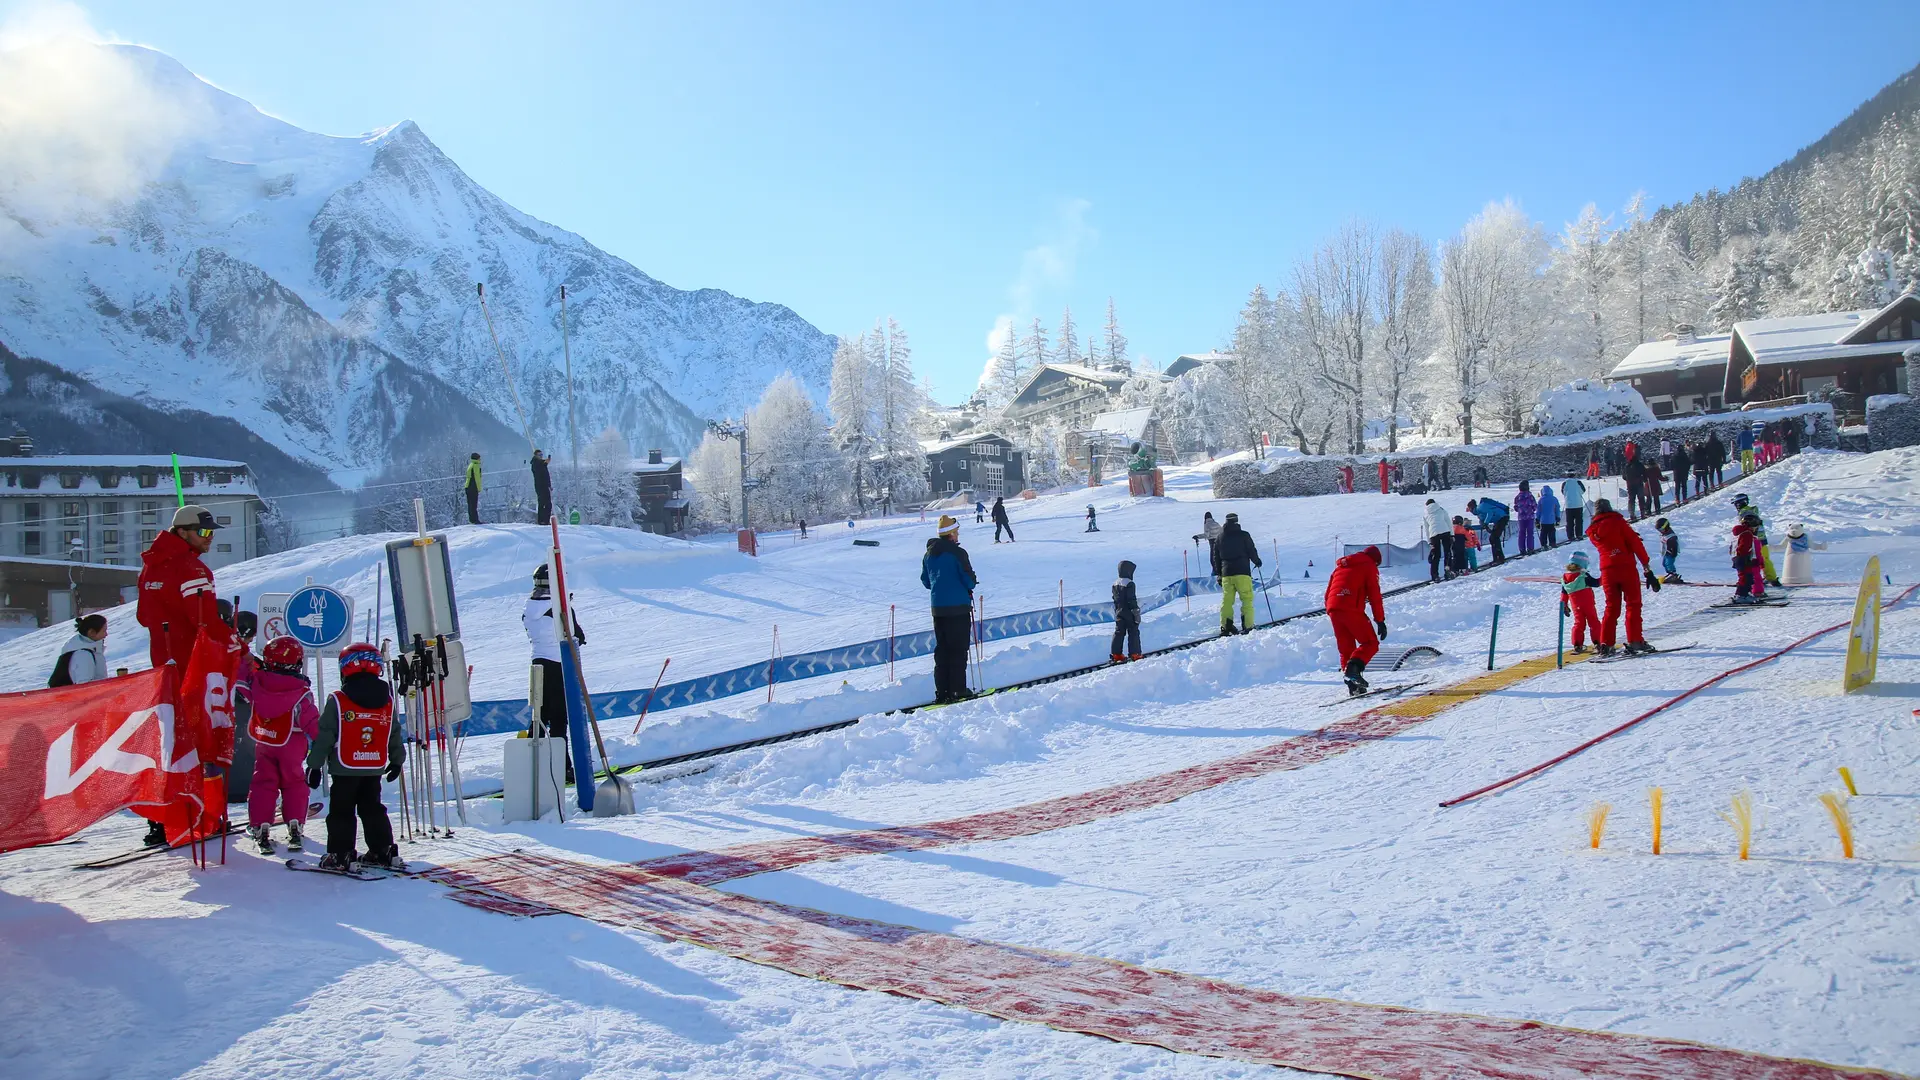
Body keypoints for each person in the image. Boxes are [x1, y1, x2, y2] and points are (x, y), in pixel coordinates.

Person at [305, 643, 406, 871]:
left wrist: (314, 765)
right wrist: (397, 760)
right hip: (373, 766)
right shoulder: (387, 701)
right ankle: (383, 850)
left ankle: (340, 854)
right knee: (373, 808)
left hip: (345, 767)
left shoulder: (339, 700)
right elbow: (393, 732)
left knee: (342, 811)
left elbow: (326, 736)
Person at [244, 636, 318, 854]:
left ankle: (260, 825)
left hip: (265, 740)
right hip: (292, 743)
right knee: (294, 782)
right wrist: (325, 743)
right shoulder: (300, 691)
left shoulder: (258, 682)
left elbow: (242, 679)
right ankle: (295, 824)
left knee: (262, 783)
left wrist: (244, 655)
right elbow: (312, 722)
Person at [523, 565, 585, 766]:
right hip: (559, 665)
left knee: (539, 716)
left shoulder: (529, 608)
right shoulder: (560, 608)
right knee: (559, 719)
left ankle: (532, 765)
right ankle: (562, 765)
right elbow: (575, 635)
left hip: (537, 663)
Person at [1584, 498, 1658, 657]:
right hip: (1625, 567)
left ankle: (1606, 644)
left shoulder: (1593, 531)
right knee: (1633, 604)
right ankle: (1635, 640)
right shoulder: (1618, 522)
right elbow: (1635, 543)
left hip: (1607, 570)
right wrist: (1646, 565)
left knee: (1611, 607)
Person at [920, 516, 978, 703]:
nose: (958, 534)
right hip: (958, 608)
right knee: (958, 649)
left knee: (942, 650)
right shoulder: (958, 553)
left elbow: (926, 581)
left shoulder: (929, 554)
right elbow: (968, 580)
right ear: (951, 534)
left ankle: (942, 692)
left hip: (938, 609)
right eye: (956, 531)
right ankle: (958, 690)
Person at [1325, 545, 1386, 696]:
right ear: (1375, 560)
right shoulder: (1369, 565)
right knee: (1370, 643)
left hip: (1333, 608)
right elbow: (1374, 595)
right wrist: (1380, 620)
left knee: (1347, 649)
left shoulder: (1340, 567)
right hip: (1350, 608)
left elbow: (1328, 593)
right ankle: (1353, 671)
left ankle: (1354, 686)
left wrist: (1332, 609)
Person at [1212, 512, 1262, 636]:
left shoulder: (1219, 538)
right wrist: (1257, 561)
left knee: (1227, 601)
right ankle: (1248, 625)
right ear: (1237, 521)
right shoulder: (1244, 535)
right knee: (1246, 599)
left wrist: (1219, 574)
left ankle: (1226, 626)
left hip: (1226, 574)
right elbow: (1251, 550)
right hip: (1242, 572)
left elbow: (1216, 558)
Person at [1730, 493, 1779, 586]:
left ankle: (1754, 579)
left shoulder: (1744, 512)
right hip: (1761, 537)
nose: (1736, 506)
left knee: (1753, 560)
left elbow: (1747, 526)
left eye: (1736, 504)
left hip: (1753, 539)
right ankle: (1771, 577)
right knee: (1764, 558)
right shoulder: (1752, 510)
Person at [49, 614, 109, 687]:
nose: (106, 634)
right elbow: (84, 687)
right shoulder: (83, 655)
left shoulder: (88, 649)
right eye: (104, 631)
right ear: (91, 632)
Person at [1561, 551, 1601, 654]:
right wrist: (1605, 577)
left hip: (1576, 606)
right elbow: (1596, 583)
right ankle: (1598, 643)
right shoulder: (1583, 576)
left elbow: (1564, 592)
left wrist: (1564, 604)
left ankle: (1577, 645)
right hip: (1588, 604)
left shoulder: (1565, 578)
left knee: (1579, 624)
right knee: (1594, 622)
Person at [1732, 510, 1769, 603]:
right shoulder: (1747, 534)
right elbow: (1744, 547)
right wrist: (1747, 559)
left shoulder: (1740, 533)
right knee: (1746, 578)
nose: (1756, 528)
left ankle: (1743, 594)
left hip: (1738, 558)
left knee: (1746, 577)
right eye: (1756, 525)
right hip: (1743, 558)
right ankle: (1741, 596)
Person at [1110, 560, 1142, 662]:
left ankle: (1116, 654)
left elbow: (1114, 599)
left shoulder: (1115, 583)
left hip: (1119, 611)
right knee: (1133, 632)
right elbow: (1131, 599)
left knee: (1119, 632)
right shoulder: (1130, 583)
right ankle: (1135, 653)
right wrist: (1136, 613)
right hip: (1129, 612)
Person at [1466, 496, 1509, 564]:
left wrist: (1486, 523)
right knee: (1492, 539)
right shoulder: (1479, 512)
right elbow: (1483, 519)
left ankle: (1500, 558)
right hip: (1499, 519)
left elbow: (1490, 513)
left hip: (1502, 517)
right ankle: (1497, 558)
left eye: (1470, 510)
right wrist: (1484, 525)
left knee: (1494, 538)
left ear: (1472, 508)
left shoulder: (1480, 507)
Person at [1423, 498, 1451, 581]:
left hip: (1433, 534)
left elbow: (1426, 528)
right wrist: (1452, 535)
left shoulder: (1425, 514)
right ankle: (1448, 570)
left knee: (1436, 555)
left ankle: (1435, 575)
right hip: (1445, 531)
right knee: (1447, 552)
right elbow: (1448, 521)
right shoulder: (1441, 509)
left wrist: (1429, 541)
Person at [1655, 517, 1683, 583]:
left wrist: (1674, 552)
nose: (1660, 531)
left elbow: (1674, 545)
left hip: (1671, 553)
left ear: (1666, 527)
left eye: (1661, 529)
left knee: (1669, 563)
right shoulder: (1664, 534)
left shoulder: (1671, 536)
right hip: (1666, 552)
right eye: (1659, 530)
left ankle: (1673, 574)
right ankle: (1670, 574)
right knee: (1664, 563)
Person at [1513, 481, 1538, 556]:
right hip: (1530, 517)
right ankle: (1530, 549)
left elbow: (1516, 507)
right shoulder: (1530, 496)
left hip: (1521, 518)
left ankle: (1522, 549)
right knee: (1530, 533)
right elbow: (1535, 507)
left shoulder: (1517, 497)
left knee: (1521, 533)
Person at [530, 449, 553, 525]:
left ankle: (545, 520)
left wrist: (549, 485)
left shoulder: (541, 464)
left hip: (545, 485)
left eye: (541, 455)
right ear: (536, 456)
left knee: (546, 504)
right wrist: (545, 463)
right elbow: (539, 470)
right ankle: (543, 520)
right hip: (540, 486)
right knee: (543, 503)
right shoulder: (535, 463)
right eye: (539, 455)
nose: (541, 457)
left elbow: (546, 475)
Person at [1536, 483, 1561, 549]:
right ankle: (1552, 543)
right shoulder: (1554, 499)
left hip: (1543, 520)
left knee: (1543, 532)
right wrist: (1558, 517)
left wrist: (1537, 519)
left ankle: (1543, 544)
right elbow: (1557, 509)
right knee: (1552, 531)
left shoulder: (1541, 500)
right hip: (1551, 519)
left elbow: (1538, 510)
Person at [1561, 477, 1587, 541]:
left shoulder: (1565, 482)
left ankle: (1571, 536)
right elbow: (1583, 490)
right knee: (1579, 521)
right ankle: (1579, 535)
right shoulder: (1578, 482)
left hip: (1569, 505)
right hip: (1578, 504)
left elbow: (1563, 492)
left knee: (1570, 522)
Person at [464, 452, 483, 524]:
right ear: (477, 458)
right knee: (474, 504)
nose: (480, 459)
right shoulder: (476, 466)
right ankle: (475, 520)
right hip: (473, 487)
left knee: (470, 504)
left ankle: (472, 520)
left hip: (468, 486)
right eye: (479, 458)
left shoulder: (470, 465)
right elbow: (477, 478)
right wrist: (479, 488)